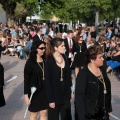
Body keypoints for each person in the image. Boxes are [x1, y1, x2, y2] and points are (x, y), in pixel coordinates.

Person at [75, 45, 112, 120]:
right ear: (92, 59)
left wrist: (109, 108)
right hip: (90, 115)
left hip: (103, 113)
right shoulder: (83, 74)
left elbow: (107, 91)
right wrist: (82, 117)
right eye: (100, 57)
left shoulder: (102, 70)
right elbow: (79, 98)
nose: (103, 59)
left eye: (102, 56)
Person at [45, 38, 72, 120]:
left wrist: (70, 91)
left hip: (65, 95)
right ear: (55, 48)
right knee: (53, 117)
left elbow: (68, 76)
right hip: (54, 95)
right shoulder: (49, 61)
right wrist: (50, 100)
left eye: (64, 45)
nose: (64, 47)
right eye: (62, 46)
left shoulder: (65, 57)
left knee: (66, 117)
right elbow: (47, 82)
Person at [24, 41, 48, 120]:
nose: (43, 50)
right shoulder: (30, 63)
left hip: (44, 90)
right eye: (41, 48)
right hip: (34, 92)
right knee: (34, 114)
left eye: (44, 48)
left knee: (44, 112)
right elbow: (26, 80)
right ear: (35, 49)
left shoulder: (45, 61)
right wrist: (26, 95)